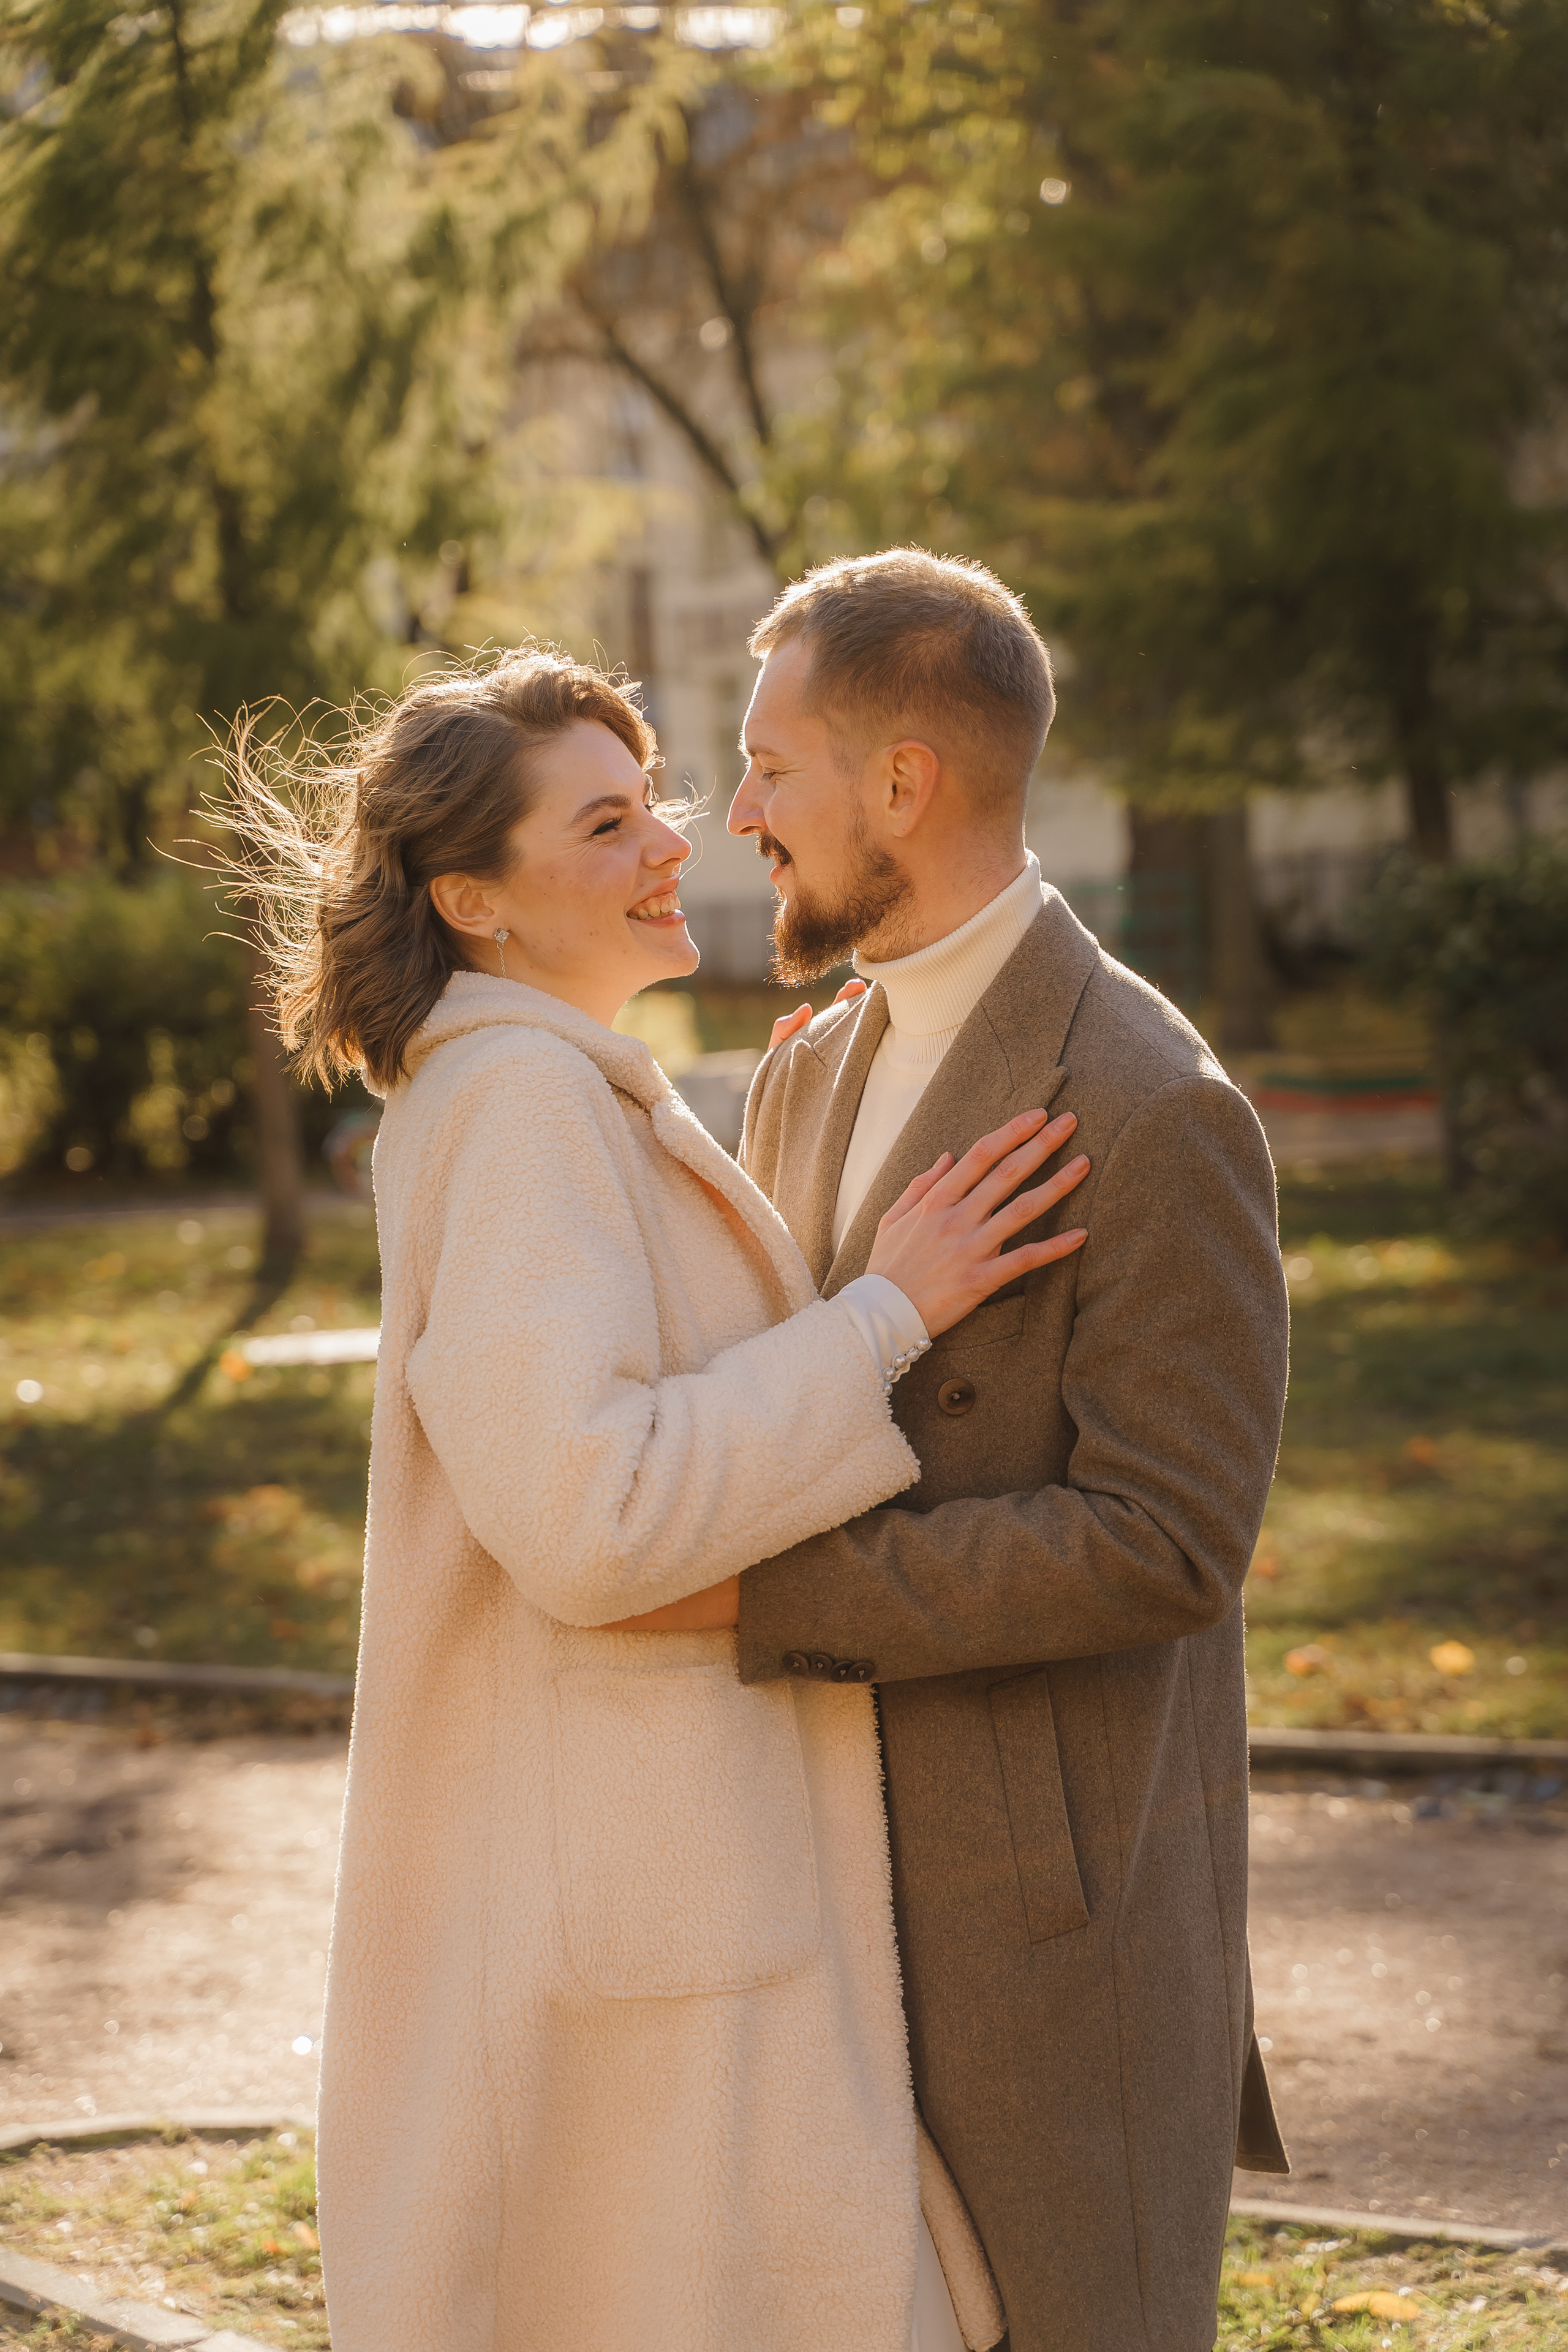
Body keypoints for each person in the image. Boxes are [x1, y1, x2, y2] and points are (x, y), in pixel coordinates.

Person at [223, 647, 1091, 2352]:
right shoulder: (525, 1103)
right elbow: (590, 1517)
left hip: (660, 1904)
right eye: (608, 823)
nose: (672, 845)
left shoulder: (547, 1091)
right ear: (473, 897)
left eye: (659, 804)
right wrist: (888, 1312)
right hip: (649, 1930)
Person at [714, 549, 1293, 2352]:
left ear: (904, 783)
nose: (738, 815)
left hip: (1045, 1940)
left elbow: (1165, 1540)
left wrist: (783, 1592)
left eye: (772, 769)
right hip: (811, 1897)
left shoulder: (1154, 1102)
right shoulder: (806, 1072)